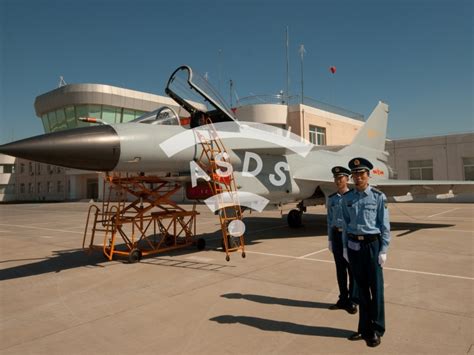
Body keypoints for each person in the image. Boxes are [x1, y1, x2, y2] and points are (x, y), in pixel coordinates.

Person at [341, 157, 390, 348]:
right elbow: (345, 224)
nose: (358, 177)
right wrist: (345, 247)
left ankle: (377, 329)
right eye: (355, 174)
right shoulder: (348, 198)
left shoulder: (378, 197)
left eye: (361, 174)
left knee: (375, 289)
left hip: (372, 245)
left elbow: (384, 226)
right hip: (354, 246)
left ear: (368, 175)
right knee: (360, 289)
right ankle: (364, 328)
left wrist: (383, 250)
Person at [327, 166, 357, 315]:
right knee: (340, 270)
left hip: (350, 236)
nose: (338, 180)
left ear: (347, 179)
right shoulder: (332, 198)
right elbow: (329, 220)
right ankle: (343, 299)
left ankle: (352, 300)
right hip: (337, 236)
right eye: (336, 178)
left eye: (341, 178)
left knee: (352, 270)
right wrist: (330, 239)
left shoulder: (353, 197)